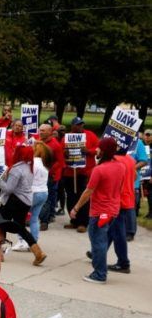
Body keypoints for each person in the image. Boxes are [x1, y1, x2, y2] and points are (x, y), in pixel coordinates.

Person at [70, 137, 124, 284]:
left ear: (104, 150)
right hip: (113, 210)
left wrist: (76, 208)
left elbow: (88, 192)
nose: (97, 150)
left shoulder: (99, 170)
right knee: (101, 240)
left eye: (99, 148)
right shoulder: (120, 166)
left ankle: (99, 274)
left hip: (101, 212)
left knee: (98, 242)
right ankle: (100, 270)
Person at [0, 145, 47, 265]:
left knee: (1, 225)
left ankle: (0, 253)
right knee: (20, 227)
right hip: (25, 201)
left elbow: (9, 189)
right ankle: (38, 252)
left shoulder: (17, 169)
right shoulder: (29, 167)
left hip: (13, 201)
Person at [102, 143, 137, 274]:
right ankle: (99, 252)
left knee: (117, 232)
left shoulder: (116, 161)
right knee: (112, 230)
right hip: (127, 197)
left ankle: (123, 263)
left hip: (117, 199)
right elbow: (134, 177)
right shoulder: (130, 160)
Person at [62, 117, 99, 233]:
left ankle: (83, 222)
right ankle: (74, 221)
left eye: (82, 124)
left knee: (82, 197)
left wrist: (88, 151)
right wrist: (65, 152)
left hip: (85, 172)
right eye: (78, 125)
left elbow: (98, 150)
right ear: (72, 126)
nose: (80, 126)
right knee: (71, 196)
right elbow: (60, 152)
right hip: (70, 172)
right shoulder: (66, 138)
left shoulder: (91, 135)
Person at [38, 124, 64, 230]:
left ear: (50, 131)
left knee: (46, 198)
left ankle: (44, 221)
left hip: (49, 176)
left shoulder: (55, 145)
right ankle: (43, 216)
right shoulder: (38, 141)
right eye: (40, 130)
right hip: (38, 174)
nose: (41, 132)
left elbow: (60, 162)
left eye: (43, 130)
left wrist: (48, 170)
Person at [125, 133, 148, 241]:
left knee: (130, 208)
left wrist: (131, 167)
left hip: (132, 182)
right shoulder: (117, 141)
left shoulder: (138, 143)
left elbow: (144, 160)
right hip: (116, 181)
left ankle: (130, 232)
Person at [30, 142, 52, 244]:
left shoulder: (33, 162)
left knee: (19, 218)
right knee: (34, 218)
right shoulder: (44, 164)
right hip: (43, 192)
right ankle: (34, 241)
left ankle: (22, 241)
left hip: (33, 192)